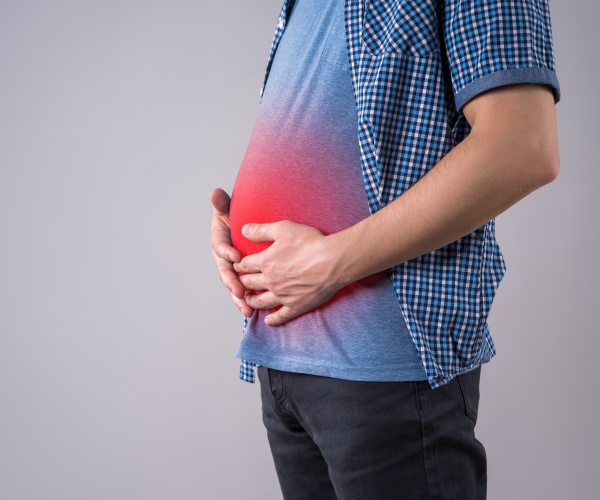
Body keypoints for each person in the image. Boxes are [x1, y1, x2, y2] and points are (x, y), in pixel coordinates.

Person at [210, 0, 560, 498]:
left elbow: (523, 146)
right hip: (282, 360)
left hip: (384, 374)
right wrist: (239, 221)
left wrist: (330, 262)